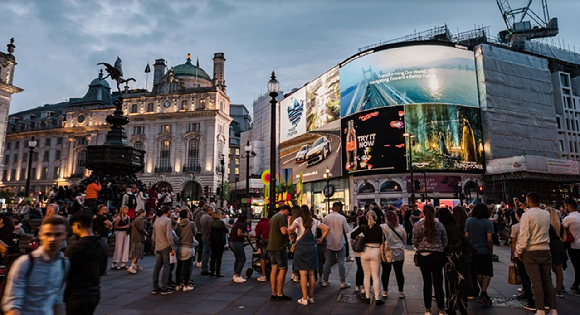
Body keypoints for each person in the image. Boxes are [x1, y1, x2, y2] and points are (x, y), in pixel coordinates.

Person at [2, 215, 69, 315]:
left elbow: (56, 300)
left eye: (58, 234)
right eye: (48, 234)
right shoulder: (25, 263)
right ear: (41, 235)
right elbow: (12, 305)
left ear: (65, 235)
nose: (52, 239)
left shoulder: (63, 263)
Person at [516, 192, 558, 315]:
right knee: (548, 281)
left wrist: (519, 250)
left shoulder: (526, 215)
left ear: (528, 200)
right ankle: (553, 309)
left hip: (531, 250)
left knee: (536, 281)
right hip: (545, 249)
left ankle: (540, 309)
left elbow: (524, 234)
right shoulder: (546, 214)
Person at [65, 210, 107, 315]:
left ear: (78, 225)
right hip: (94, 292)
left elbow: (66, 272)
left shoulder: (74, 249)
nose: (72, 229)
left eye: (73, 226)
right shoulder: (102, 244)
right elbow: (102, 269)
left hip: (76, 294)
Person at [289, 205, 329, 305]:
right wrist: (320, 239)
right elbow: (327, 228)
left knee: (303, 274)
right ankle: (311, 297)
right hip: (312, 248)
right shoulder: (314, 221)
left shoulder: (298, 220)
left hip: (301, 248)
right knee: (311, 273)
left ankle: (304, 298)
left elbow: (290, 228)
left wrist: (291, 234)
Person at [414, 205, 448, 315]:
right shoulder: (439, 225)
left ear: (423, 212)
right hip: (437, 255)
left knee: (427, 282)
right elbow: (445, 240)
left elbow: (415, 240)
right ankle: (441, 309)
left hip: (423, 255)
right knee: (438, 282)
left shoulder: (418, 225)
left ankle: (427, 308)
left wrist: (421, 246)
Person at [351, 210, 385, 305]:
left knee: (366, 275)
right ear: (375, 218)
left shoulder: (363, 227)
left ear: (366, 218)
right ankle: (377, 298)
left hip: (365, 251)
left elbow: (352, 235)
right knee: (375, 276)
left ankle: (367, 297)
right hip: (376, 250)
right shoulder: (379, 228)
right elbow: (383, 240)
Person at [439, 207, 468, 315]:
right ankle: (463, 304)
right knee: (461, 280)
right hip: (459, 255)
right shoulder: (456, 225)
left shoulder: (443, 227)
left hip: (449, 256)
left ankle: (451, 304)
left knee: (450, 281)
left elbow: (443, 242)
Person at [465, 203, 494, 307]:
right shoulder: (488, 223)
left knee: (478, 272)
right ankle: (484, 292)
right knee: (488, 272)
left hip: (474, 251)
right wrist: (491, 250)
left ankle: (482, 292)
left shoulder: (469, 221)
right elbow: (489, 239)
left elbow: (466, 236)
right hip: (485, 250)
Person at [321, 202, 351, 289]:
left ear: (332, 207)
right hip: (340, 242)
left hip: (329, 242)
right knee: (341, 262)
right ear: (339, 208)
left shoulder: (326, 218)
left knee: (328, 261)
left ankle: (325, 280)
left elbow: (323, 231)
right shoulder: (342, 218)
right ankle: (342, 282)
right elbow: (347, 230)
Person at [511, 207, 536, 311]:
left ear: (517, 216)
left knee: (524, 276)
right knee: (535, 276)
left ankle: (530, 298)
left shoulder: (516, 227)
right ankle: (543, 299)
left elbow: (513, 242)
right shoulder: (532, 225)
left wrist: (513, 254)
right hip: (532, 251)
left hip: (520, 253)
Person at [381, 210, 407, 299]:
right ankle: (401, 291)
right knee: (399, 272)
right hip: (399, 252)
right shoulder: (401, 227)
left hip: (386, 253)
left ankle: (384, 291)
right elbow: (404, 240)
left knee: (385, 272)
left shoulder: (382, 227)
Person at [268, 205, 292, 301]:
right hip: (279, 246)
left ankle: (273, 293)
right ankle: (280, 293)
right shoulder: (281, 218)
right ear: (285, 210)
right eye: (288, 213)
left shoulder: (273, 217)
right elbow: (283, 232)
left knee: (274, 268)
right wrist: (289, 231)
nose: (288, 215)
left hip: (271, 246)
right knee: (283, 269)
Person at [151, 205, 176, 295]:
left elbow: (153, 236)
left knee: (157, 266)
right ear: (168, 211)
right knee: (166, 266)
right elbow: (169, 235)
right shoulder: (168, 221)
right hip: (165, 246)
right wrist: (172, 247)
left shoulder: (156, 220)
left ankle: (155, 287)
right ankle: (164, 287)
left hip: (158, 245)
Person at [546, 207, 566, 297]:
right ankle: (559, 289)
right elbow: (565, 239)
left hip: (549, 246)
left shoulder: (547, 225)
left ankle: (548, 289)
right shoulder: (560, 225)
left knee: (546, 270)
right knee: (559, 270)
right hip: (559, 246)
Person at [176, 209, 196, 291]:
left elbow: (177, 234)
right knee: (187, 267)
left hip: (180, 245)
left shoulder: (178, 224)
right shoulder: (191, 224)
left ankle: (178, 284)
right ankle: (186, 284)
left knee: (179, 266)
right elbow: (194, 232)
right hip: (188, 246)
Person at [563, 198, 580, 296]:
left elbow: (563, 232)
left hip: (573, 246)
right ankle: (576, 284)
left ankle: (576, 285)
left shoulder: (568, 219)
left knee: (577, 266)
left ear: (569, 206)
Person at [229, 214, 249, 283]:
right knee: (242, 259)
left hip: (232, 242)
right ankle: (237, 275)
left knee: (237, 259)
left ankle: (235, 274)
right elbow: (239, 233)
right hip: (237, 242)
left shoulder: (236, 224)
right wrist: (247, 235)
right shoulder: (241, 225)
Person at [128, 209, 148, 274]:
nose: (145, 214)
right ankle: (132, 265)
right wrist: (145, 233)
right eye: (144, 213)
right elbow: (141, 228)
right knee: (136, 252)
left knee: (137, 251)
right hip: (137, 237)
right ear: (142, 213)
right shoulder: (140, 219)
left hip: (135, 237)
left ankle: (135, 264)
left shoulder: (136, 219)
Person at [210, 210, 228, 278]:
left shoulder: (211, 222)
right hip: (220, 240)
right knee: (219, 257)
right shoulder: (221, 223)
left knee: (213, 256)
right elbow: (226, 230)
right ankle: (218, 271)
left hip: (212, 240)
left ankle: (212, 271)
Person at [351, 215, 366, 294]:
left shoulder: (356, 229)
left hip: (358, 253)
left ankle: (357, 286)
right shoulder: (369, 229)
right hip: (366, 252)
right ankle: (364, 287)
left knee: (359, 269)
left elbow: (352, 239)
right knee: (366, 271)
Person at [254, 214, 270, 282]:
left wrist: (258, 247)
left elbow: (257, 236)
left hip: (264, 240)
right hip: (272, 240)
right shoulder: (270, 223)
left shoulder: (259, 224)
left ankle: (264, 275)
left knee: (263, 257)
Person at [200, 206, 213, 276]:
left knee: (204, 251)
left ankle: (204, 267)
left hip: (204, 235)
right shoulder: (208, 217)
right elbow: (211, 227)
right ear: (209, 210)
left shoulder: (202, 216)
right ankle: (205, 268)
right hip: (208, 236)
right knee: (206, 252)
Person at [192, 201, 206, 268]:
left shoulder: (195, 211)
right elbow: (202, 222)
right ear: (203, 205)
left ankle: (193, 260)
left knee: (195, 246)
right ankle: (199, 261)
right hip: (200, 230)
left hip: (195, 230)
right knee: (200, 246)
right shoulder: (202, 212)